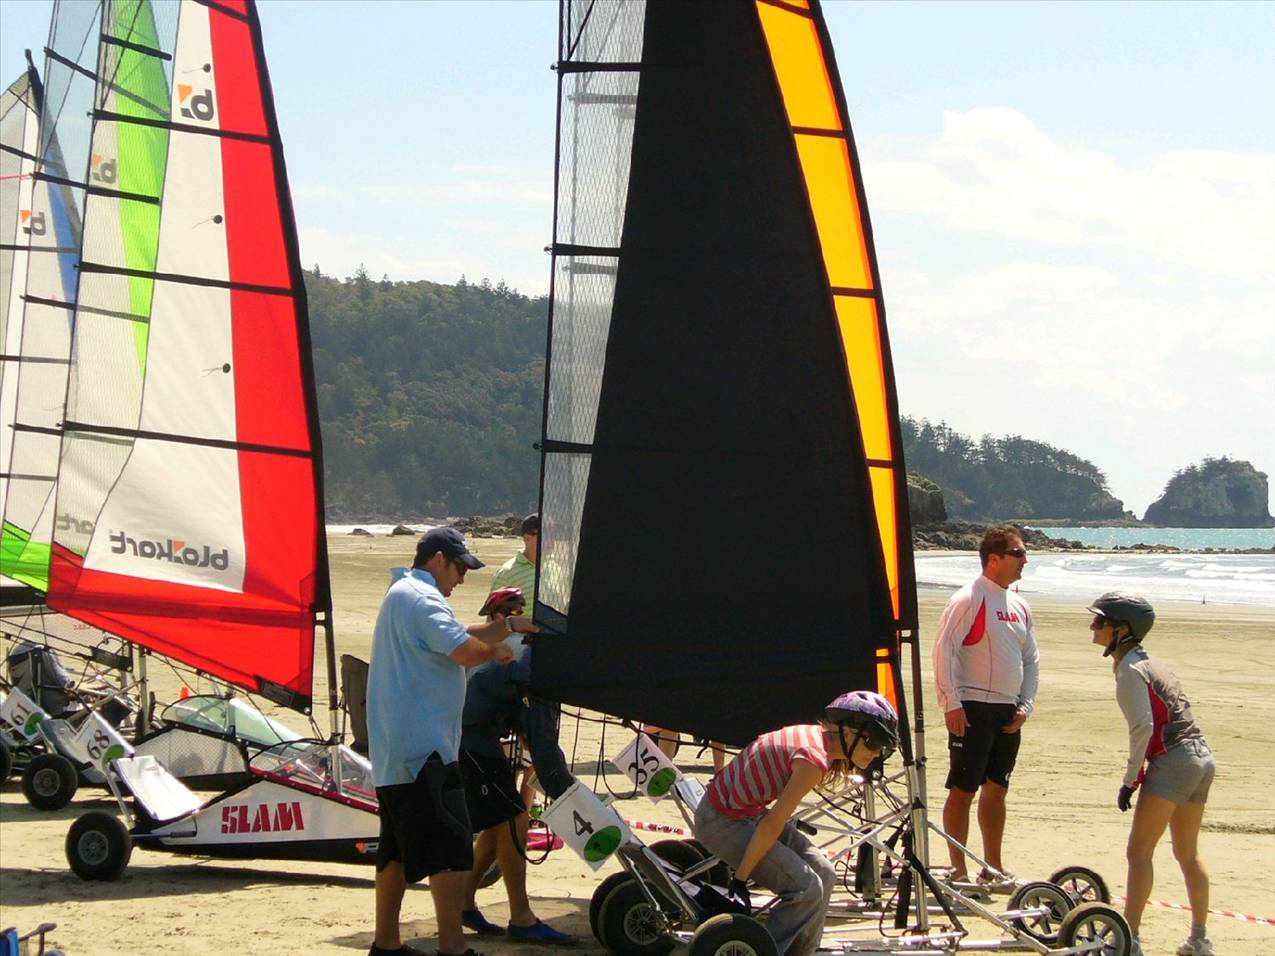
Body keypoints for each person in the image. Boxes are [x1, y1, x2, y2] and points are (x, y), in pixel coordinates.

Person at [365, 527, 537, 956]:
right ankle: (454, 947)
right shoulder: (422, 600)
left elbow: (456, 634)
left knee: (396, 852)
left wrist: (510, 625)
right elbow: (463, 649)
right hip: (425, 751)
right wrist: (497, 651)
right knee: (450, 852)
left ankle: (386, 944)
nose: (462, 578)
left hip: (395, 751)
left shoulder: (402, 593)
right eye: (459, 568)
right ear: (438, 559)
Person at [692, 691, 900, 956]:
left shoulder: (817, 738)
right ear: (849, 733)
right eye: (875, 743)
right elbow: (774, 822)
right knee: (805, 887)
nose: (877, 753)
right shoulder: (812, 760)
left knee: (825, 872)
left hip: (745, 814)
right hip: (721, 821)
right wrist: (740, 879)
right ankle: (766, 951)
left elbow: (770, 821)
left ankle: (803, 951)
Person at [1089, 592, 1215, 956]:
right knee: (1188, 854)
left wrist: (1130, 779)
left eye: (1100, 622)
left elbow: (1142, 727)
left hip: (1174, 760)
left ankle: (1129, 941)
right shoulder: (1152, 663)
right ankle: (1200, 938)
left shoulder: (1130, 670)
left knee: (1139, 852)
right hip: (1201, 758)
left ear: (1122, 630)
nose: (1093, 626)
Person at [458, 584, 574, 945]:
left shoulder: (522, 659)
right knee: (513, 820)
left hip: (481, 736)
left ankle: (463, 902)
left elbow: (529, 732)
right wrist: (568, 793)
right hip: (469, 740)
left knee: (496, 829)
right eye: (511, 612)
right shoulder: (525, 665)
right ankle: (522, 918)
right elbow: (542, 745)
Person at [931, 525, 1039, 883]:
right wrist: (951, 701)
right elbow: (943, 648)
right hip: (973, 705)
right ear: (994, 559)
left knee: (998, 788)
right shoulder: (969, 598)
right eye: (1019, 553)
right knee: (963, 789)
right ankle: (957, 868)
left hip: (1008, 710)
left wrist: (1026, 705)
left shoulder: (1020, 604)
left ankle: (992, 866)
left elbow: (1030, 660)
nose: (1025, 560)